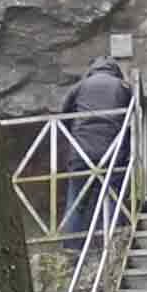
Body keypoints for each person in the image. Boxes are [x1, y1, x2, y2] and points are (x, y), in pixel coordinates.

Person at [56, 56, 133, 250]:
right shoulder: (123, 87)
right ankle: (113, 244)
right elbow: (134, 117)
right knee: (112, 196)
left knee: (77, 201)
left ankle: (71, 248)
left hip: (82, 152)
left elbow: (62, 118)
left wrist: (76, 136)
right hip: (112, 151)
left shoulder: (80, 86)